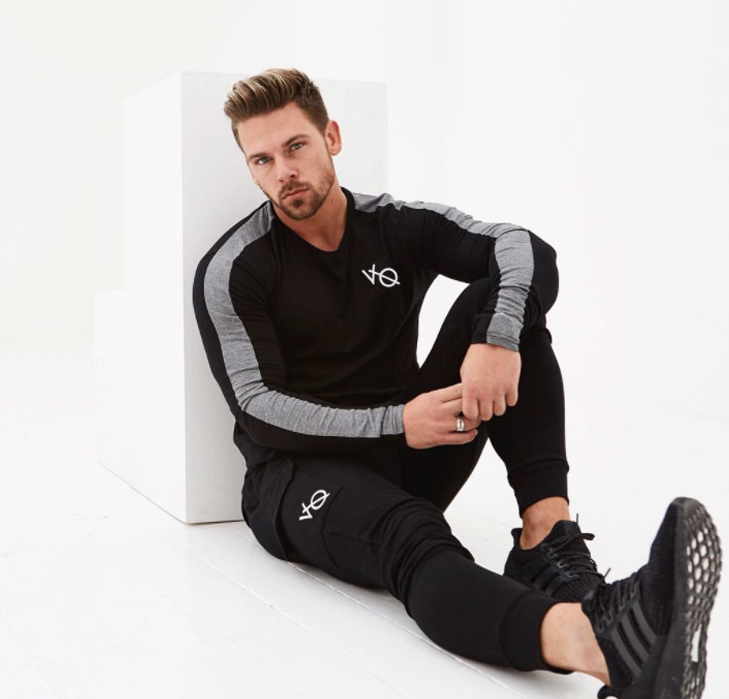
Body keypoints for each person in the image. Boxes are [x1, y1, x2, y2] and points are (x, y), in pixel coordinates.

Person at [192, 68, 722, 698]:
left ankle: (545, 540)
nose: (284, 171)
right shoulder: (235, 267)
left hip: (411, 449)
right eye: (263, 160)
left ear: (331, 137)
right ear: (251, 169)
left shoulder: (394, 224)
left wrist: (496, 339)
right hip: (297, 478)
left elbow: (521, 246)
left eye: (296, 146)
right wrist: (397, 422)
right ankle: (602, 646)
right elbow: (258, 409)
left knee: (504, 310)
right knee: (411, 536)